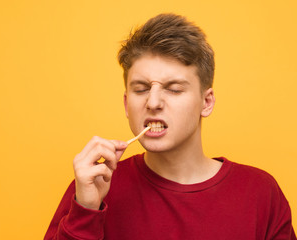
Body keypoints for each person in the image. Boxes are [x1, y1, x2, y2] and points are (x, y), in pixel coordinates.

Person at [44, 13, 296, 240]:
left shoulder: (261, 193)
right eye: (141, 89)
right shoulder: (93, 188)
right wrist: (85, 211)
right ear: (126, 104)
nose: (152, 102)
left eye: (174, 89)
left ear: (206, 102)